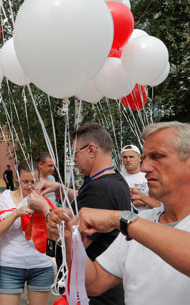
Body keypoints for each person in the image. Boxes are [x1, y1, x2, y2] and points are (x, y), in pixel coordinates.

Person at [47, 121, 190, 304]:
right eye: (145, 158)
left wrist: (118, 219)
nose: (145, 167)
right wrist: (71, 239)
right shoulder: (139, 221)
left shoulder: (131, 224)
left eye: (158, 156)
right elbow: (95, 282)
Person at [36, 123, 131, 305]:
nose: (74, 159)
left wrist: (45, 209)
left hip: (94, 294)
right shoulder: (115, 180)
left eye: (75, 153)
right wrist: (62, 189)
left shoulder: (101, 189)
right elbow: (86, 198)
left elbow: (71, 240)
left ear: (92, 150)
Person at [0, 161, 54, 305]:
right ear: (17, 178)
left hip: (41, 266)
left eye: (34, 182)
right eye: (25, 181)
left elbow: (54, 234)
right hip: (11, 266)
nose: (30, 186)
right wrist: (15, 214)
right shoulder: (4, 199)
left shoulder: (43, 201)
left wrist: (45, 210)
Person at [120, 144, 161, 211]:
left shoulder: (150, 176)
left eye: (131, 157)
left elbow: (159, 205)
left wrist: (143, 202)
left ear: (140, 158)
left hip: (149, 219)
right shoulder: (118, 178)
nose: (128, 160)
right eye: (125, 157)